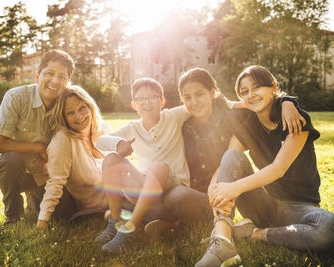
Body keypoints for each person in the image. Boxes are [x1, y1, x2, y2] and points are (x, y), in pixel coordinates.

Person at [195, 65, 334, 267]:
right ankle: (222, 238)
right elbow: (230, 158)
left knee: (328, 227)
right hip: (264, 205)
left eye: (257, 87)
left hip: (299, 208)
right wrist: (213, 185)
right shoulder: (247, 124)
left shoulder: (295, 118)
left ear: (273, 87)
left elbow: (279, 168)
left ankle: (254, 234)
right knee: (232, 154)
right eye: (245, 92)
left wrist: (288, 101)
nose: (251, 95)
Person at [144, 68, 304, 237]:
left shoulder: (233, 117)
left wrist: (288, 101)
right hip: (195, 194)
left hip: (224, 194)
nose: (193, 102)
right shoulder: (183, 124)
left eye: (199, 94)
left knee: (178, 196)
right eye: (187, 97)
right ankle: (175, 222)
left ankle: (184, 223)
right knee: (171, 195)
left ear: (213, 92)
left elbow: (263, 102)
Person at [94, 78, 191, 255]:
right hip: (145, 185)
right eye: (140, 99)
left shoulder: (174, 116)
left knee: (159, 166)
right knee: (111, 159)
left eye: (152, 98)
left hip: (173, 182)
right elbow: (99, 141)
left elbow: (198, 104)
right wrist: (118, 143)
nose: (146, 102)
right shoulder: (132, 128)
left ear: (162, 101)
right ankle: (114, 222)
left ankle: (128, 229)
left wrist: (237, 104)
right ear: (133, 104)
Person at [0, 50, 75, 226]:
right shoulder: (16, 97)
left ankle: (34, 199)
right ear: (37, 76)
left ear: (67, 82)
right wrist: (37, 148)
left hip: (43, 172)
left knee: (65, 213)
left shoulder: (66, 104)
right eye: (50, 73)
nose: (55, 81)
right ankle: (12, 215)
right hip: (11, 172)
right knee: (10, 159)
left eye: (62, 77)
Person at [36, 86, 111, 229]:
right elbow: (56, 181)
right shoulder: (63, 140)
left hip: (124, 195)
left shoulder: (104, 129)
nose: (79, 116)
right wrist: (42, 221)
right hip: (97, 209)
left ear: (90, 106)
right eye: (70, 112)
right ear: (63, 117)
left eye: (82, 108)